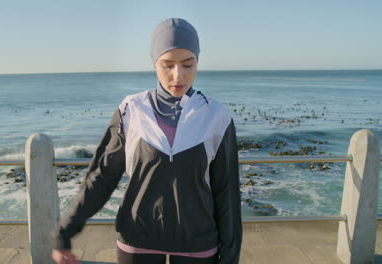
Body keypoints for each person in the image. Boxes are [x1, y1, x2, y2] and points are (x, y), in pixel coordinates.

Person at [52, 17, 242, 264]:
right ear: (154, 63)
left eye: (188, 64)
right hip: (136, 245)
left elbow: (226, 192)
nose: (178, 75)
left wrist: (229, 257)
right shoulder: (131, 110)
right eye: (167, 64)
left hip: (198, 246)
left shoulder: (216, 116)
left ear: (197, 61)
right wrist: (65, 231)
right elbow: (102, 177)